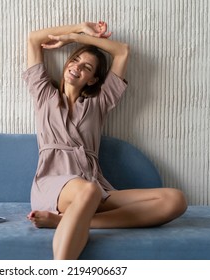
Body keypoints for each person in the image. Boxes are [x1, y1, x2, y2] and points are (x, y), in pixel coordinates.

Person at [22, 21, 187, 260]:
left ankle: (65, 221)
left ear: (91, 79)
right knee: (87, 191)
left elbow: (122, 51)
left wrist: (74, 38)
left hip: (95, 186)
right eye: (75, 60)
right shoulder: (43, 94)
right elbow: (34, 40)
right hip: (53, 184)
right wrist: (78, 29)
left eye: (86, 67)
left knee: (175, 199)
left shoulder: (99, 102)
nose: (77, 67)